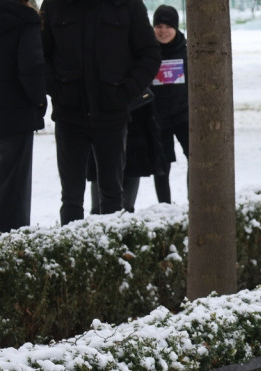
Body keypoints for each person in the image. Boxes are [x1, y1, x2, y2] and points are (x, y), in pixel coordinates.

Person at [40, 0, 160, 224]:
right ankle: (70, 252)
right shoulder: (55, 5)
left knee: (112, 196)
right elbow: (41, 54)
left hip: (112, 114)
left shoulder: (128, 5)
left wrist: (126, 91)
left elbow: (150, 55)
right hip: (69, 114)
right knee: (71, 198)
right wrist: (57, 88)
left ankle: (111, 254)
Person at [0, 0, 46, 235]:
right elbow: (31, 67)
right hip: (15, 113)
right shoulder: (26, 20)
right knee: (13, 185)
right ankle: (10, 246)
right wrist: (39, 101)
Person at [88, 98, 162, 214]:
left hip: (134, 108)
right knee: (98, 207)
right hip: (101, 109)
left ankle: (124, 218)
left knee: (126, 206)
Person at [150, 4, 189, 204]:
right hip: (158, 119)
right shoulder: (147, 50)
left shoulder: (187, 50)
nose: (163, 31)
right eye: (159, 26)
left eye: (168, 26)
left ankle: (196, 202)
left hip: (184, 116)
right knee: (162, 167)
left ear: (176, 27)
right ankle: (164, 207)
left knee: (196, 160)